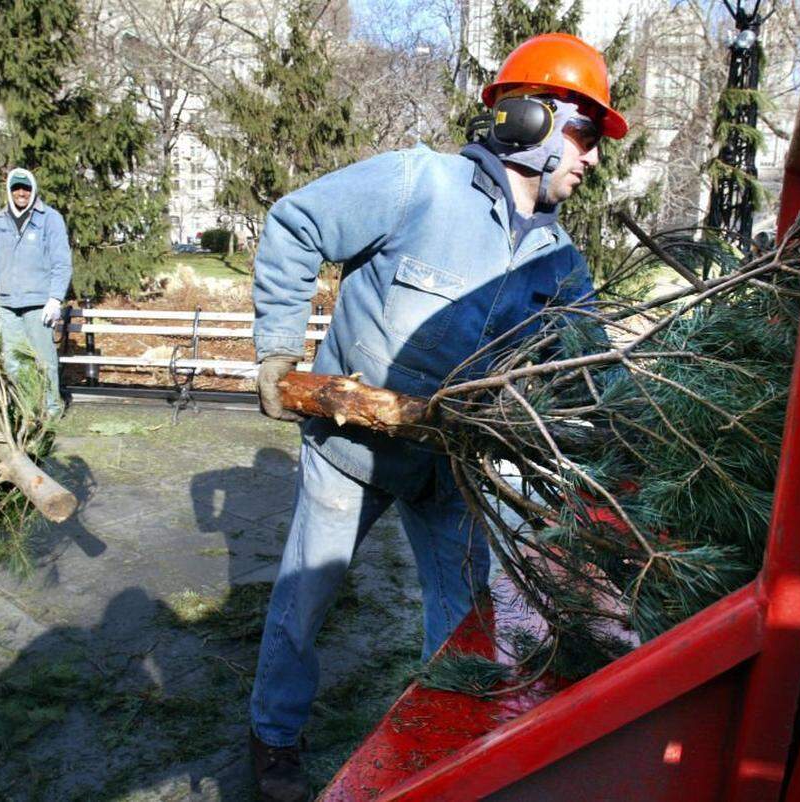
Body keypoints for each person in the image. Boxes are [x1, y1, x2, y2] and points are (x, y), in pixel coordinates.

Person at [247, 33, 628, 801]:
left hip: (454, 469)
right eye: (584, 132)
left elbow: (599, 376)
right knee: (304, 598)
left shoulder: (560, 262)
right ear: (526, 120)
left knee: (467, 625)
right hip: (347, 447)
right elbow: (295, 225)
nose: (591, 158)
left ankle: (441, 757)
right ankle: (273, 734)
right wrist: (278, 352)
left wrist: (636, 443)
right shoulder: (418, 184)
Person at [0, 168, 72, 417]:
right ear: (9, 191)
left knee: (45, 360)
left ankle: (51, 408)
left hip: (39, 304)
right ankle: (24, 408)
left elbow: (61, 263)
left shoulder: (49, 219)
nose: (21, 193)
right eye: (16, 188)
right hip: (8, 304)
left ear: (33, 190)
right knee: (14, 362)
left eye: (26, 188)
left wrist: (55, 298)